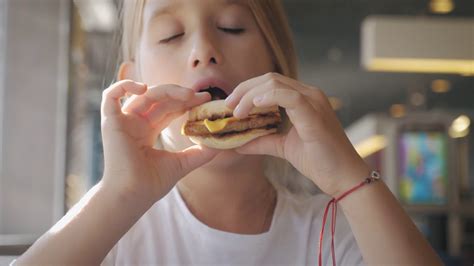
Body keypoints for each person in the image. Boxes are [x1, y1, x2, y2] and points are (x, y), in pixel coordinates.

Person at [14, 0, 442, 265]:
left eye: (233, 27)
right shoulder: (112, 232)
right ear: (134, 84)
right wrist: (120, 193)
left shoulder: (330, 232)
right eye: (172, 35)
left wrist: (350, 179)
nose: (204, 51)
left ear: (279, 71)